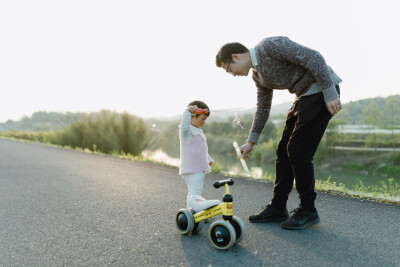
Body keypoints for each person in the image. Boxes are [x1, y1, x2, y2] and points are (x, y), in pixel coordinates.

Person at [215, 36, 342, 230]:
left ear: (236, 57)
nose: (232, 74)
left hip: (320, 90)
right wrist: (251, 141)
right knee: (283, 152)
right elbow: (263, 108)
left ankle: (308, 210)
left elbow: (314, 57)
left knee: (298, 151)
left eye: (229, 69)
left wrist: (330, 92)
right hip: (304, 96)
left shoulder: (269, 46)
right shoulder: (257, 76)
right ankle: (278, 207)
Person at [179, 100, 221, 213]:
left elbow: (200, 149)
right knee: (195, 193)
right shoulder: (187, 132)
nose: (204, 122)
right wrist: (187, 112)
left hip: (197, 169)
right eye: (202, 119)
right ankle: (197, 210)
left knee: (193, 193)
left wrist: (208, 158)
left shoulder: (197, 131)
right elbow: (184, 127)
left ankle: (191, 212)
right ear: (192, 117)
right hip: (192, 169)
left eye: (205, 120)